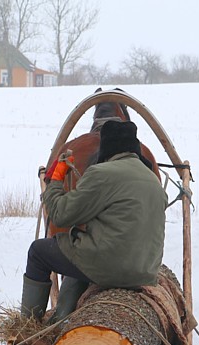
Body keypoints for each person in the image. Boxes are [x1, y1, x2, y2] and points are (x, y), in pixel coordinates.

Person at [21, 120, 168, 321]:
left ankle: (26, 327)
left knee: (38, 252)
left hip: (109, 267)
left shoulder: (102, 173)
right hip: (145, 273)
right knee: (79, 254)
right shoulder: (153, 180)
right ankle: (62, 319)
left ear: (106, 149)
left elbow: (60, 214)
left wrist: (55, 180)